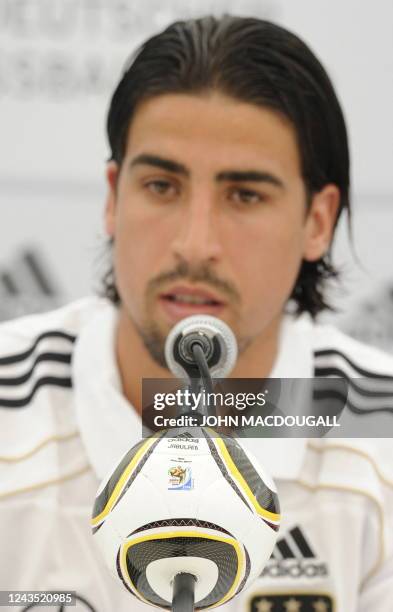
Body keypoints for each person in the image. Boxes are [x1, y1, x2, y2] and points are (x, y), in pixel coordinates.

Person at [0, 14, 392, 612]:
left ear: (317, 220)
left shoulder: (379, 433)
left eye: (244, 195)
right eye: (162, 186)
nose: (194, 242)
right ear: (113, 197)